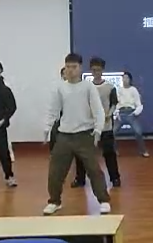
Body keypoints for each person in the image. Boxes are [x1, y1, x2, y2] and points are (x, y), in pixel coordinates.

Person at [43, 53, 111, 215]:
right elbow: (53, 110)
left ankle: (103, 200)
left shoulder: (88, 87)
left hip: (85, 135)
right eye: (68, 67)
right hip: (64, 135)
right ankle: (54, 201)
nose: (70, 70)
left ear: (80, 68)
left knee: (94, 169)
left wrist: (98, 130)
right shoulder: (60, 88)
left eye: (74, 67)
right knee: (55, 171)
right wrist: (47, 128)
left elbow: (98, 110)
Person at [72, 57, 121, 188]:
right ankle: (80, 179)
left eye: (98, 70)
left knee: (109, 153)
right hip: (89, 126)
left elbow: (114, 103)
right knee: (82, 154)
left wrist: (109, 114)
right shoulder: (86, 87)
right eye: (93, 70)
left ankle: (115, 178)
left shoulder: (110, 87)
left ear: (102, 70)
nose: (96, 72)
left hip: (105, 126)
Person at [114, 71, 149, 157]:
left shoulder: (133, 90)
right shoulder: (119, 90)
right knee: (112, 132)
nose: (125, 80)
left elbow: (139, 105)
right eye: (123, 78)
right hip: (121, 114)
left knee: (138, 132)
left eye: (126, 78)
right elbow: (116, 104)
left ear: (130, 80)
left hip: (131, 113)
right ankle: (114, 151)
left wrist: (134, 113)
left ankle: (143, 151)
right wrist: (117, 113)